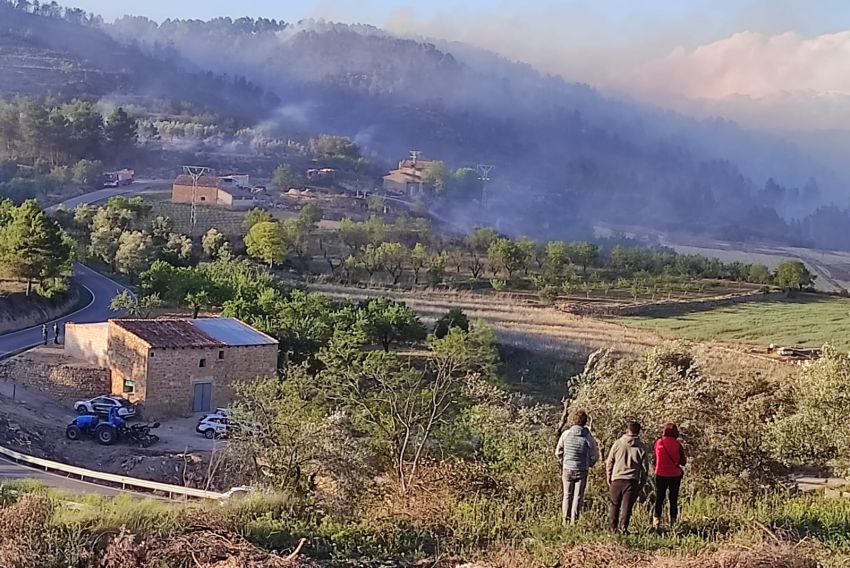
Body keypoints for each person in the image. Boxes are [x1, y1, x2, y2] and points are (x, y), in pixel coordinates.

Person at [605, 421, 650, 533]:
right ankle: (623, 528)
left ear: (627, 430)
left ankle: (612, 528)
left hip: (617, 478)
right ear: (638, 432)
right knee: (627, 507)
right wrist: (642, 482)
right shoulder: (641, 447)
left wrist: (609, 476)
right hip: (632, 480)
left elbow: (609, 462)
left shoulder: (617, 443)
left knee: (614, 505)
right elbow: (645, 468)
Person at [555, 410, 598, 525]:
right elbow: (594, 454)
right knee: (578, 497)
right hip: (582, 469)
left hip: (567, 468)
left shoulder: (566, 434)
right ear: (585, 422)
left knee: (567, 495)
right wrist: (590, 463)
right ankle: (575, 522)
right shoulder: (588, 436)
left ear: (573, 421)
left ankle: (565, 521)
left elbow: (558, 451)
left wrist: (563, 462)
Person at [653, 422, 687, 529]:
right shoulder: (677, 445)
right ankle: (673, 523)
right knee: (673, 499)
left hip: (660, 474)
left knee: (659, 498)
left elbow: (655, 458)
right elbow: (683, 462)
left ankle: (656, 522)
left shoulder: (658, 442)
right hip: (674, 476)